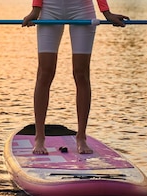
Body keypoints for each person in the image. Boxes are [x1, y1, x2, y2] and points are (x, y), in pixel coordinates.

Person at [22, 0, 129, 154]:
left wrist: (106, 12)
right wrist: (35, 10)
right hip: (50, 8)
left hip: (82, 8)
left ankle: (81, 137)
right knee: (45, 72)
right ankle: (39, 137)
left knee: (81, 73)